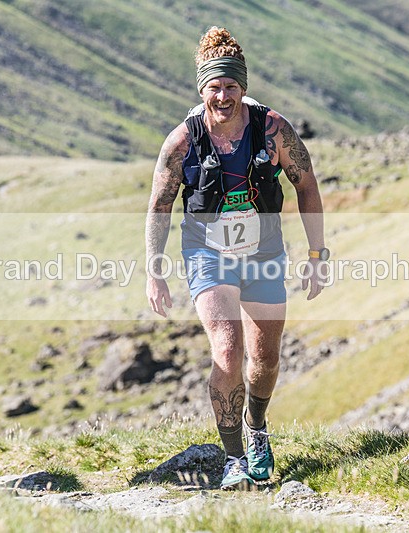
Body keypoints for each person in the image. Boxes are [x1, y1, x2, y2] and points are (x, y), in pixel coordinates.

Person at [145, 27, 329, 490]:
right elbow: (160, 204)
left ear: (242, 88)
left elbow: (306, 185)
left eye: (231, 87)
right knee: (227, 351)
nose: (222, 95)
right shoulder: (182, 142)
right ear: (202, 89)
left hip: (264, 250)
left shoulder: (273, 130)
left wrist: (316, 253)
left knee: (264, 362)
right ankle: (233, 460)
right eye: (214, 87)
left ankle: (257, 427)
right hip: (207, 250)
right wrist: (154, 267)